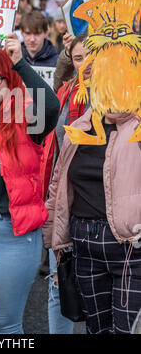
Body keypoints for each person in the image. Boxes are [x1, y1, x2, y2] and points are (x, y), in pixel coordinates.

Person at [0, 35, 60, 334]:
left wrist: (19, 61)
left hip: (12, 235)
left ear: (11, 82)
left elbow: (51, 107)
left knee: (5, 326)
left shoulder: (27, 118)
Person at [42, 98, 141, 333]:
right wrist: (52, 239)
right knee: (96, 329)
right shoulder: (78, 130)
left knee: (129, 328)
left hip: (130, 249)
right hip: (84, 245)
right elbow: (58, 185)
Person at [41, 34, 90, 334]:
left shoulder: (119, 93)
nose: (85, 65)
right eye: (78, 58)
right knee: (60, 287)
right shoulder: (67, 91)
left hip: (99, 206)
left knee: (103, 292)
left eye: (90, 56)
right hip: (63, 201)